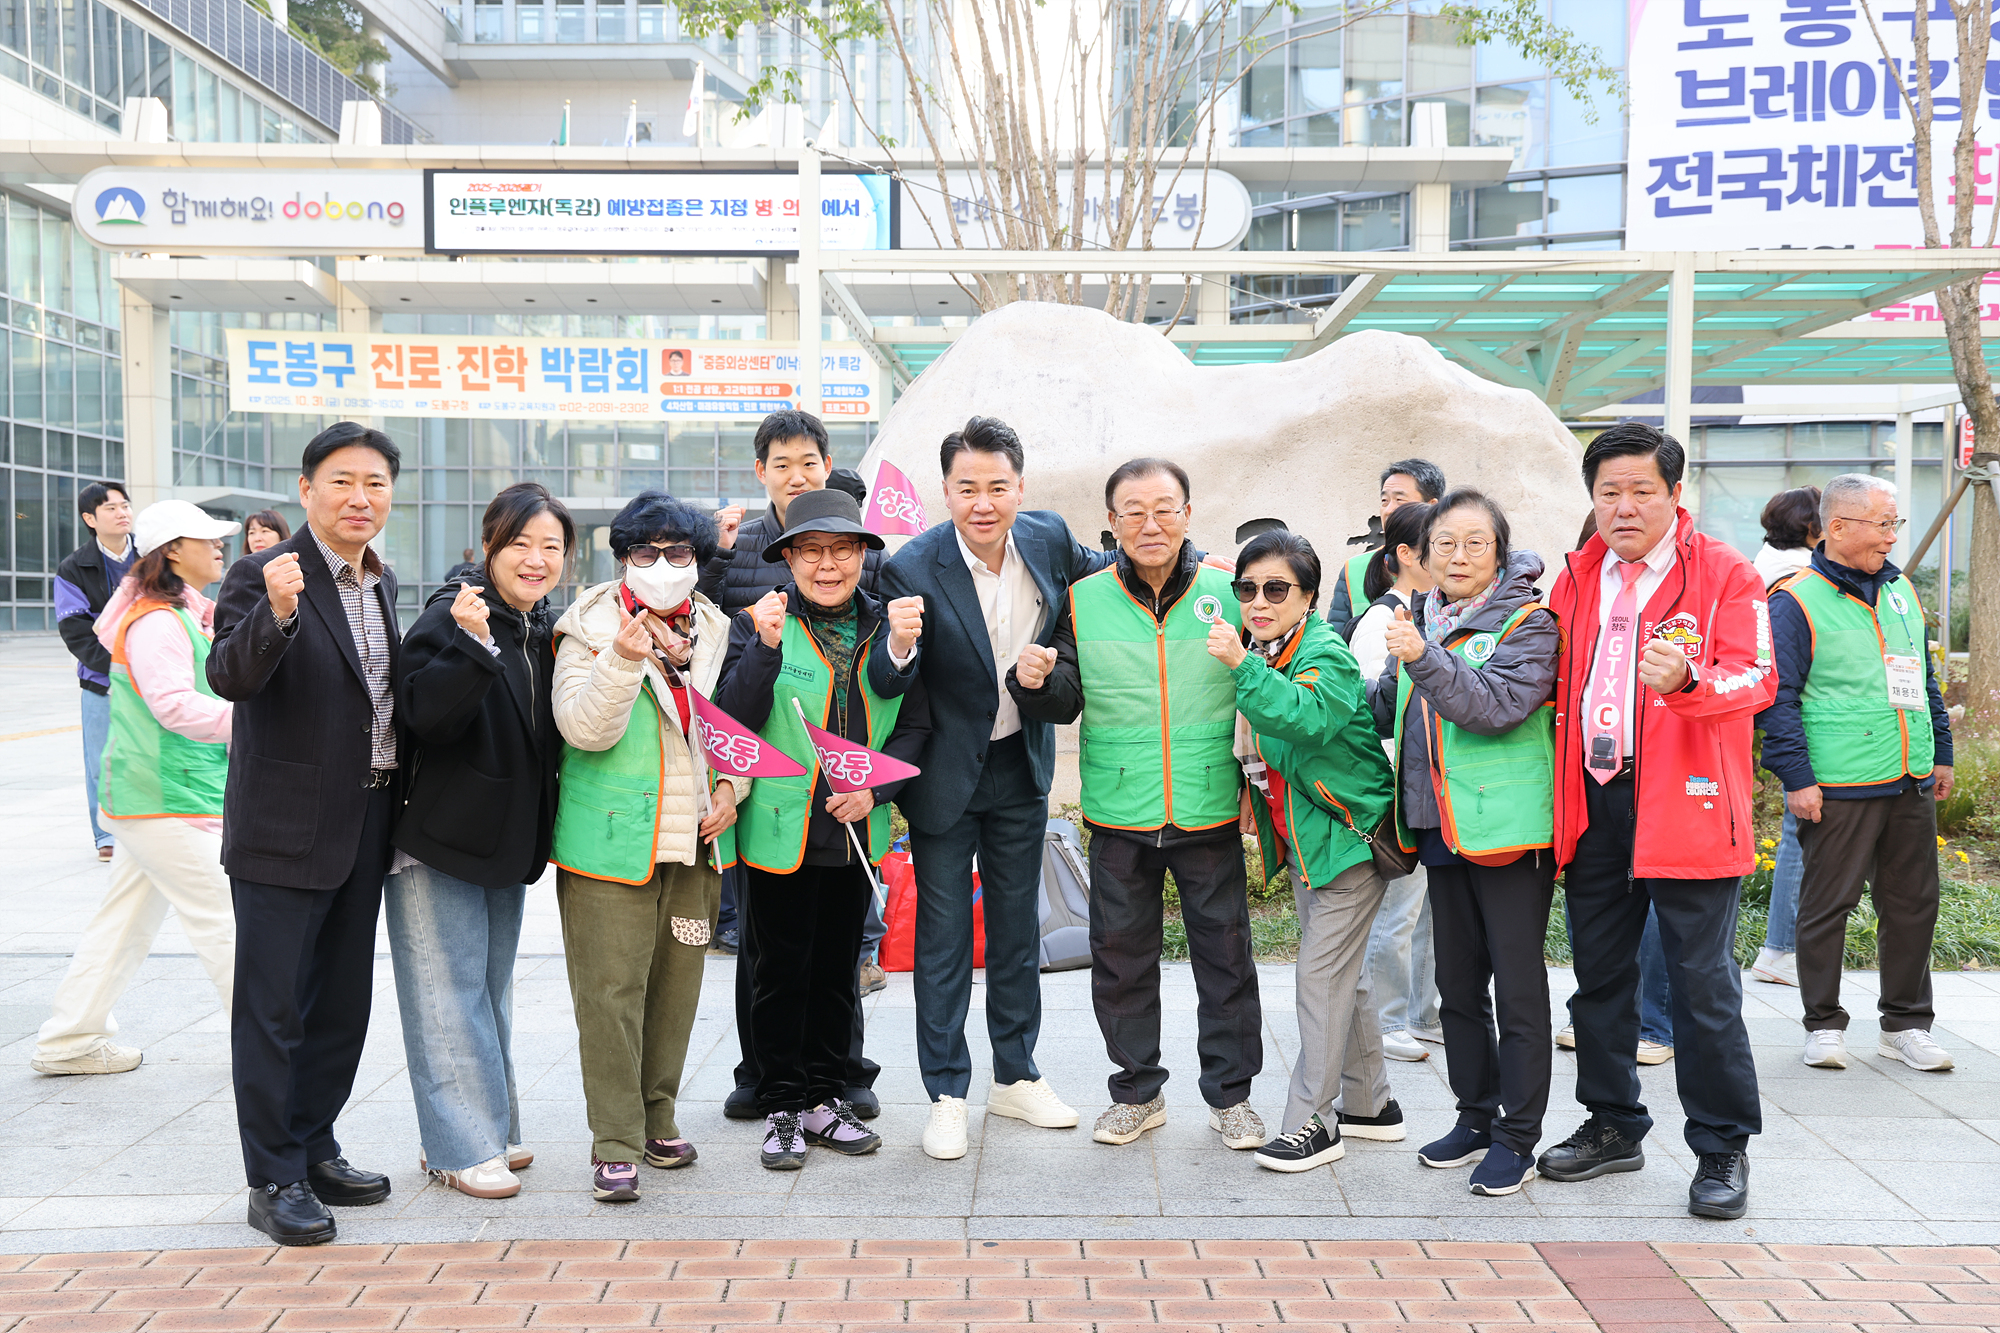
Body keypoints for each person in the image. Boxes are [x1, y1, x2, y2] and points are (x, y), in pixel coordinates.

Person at [1542, 420, 1773, 1223]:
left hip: (1688, 799)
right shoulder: (1576, 577)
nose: (1625, 506)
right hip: (1595, 797)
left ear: (1677, 494)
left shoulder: (1726, 574)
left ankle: (1721, 1146)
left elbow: (1757, 677)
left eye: (1642, 490)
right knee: (1600, 979)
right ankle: (1613, 1123)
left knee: (1702, 986)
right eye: (1610, 492)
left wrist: (1687, 680)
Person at [1010, 458, 1266, 1153]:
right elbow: (1066, 694)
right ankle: (1137, 1091)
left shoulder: (1228, 589)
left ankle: (1233, 1096)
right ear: (1112, 521)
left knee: (1226, 958)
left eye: (1164, 508)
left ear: (1187, 511)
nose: (1150, 523)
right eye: (1134, 510)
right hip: (1120, 807)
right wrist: (1036, 681)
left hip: (1207, 803)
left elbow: (1264, 683)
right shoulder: (1082, 596)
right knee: (1120, 959)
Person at [879, 416, 1116, 1161]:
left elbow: (1109, 570)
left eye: (998, 486)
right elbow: (885, 679)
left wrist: (1200, 562)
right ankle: (948, 1092)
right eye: (966, 487)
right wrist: (900, 642)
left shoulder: (1047, 538)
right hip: (945, 780)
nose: (983, 502)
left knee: (1018, 933)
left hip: (1019, 767)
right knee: (944, 942)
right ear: (945, 490)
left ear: (1021, 486)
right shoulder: (911, 567)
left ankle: (1016, 1074)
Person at [207, 422, 405, 1246]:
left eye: (376, 483)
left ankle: (316, 1143)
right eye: (342, 481)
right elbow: (228, 675)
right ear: (307, 490)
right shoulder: (262, 573)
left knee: (340, 1004)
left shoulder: (385, 580)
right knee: (274, 1007)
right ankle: (274, 1174)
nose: (361, 497)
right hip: (283, 832)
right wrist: (279, 614)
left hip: (365, 821)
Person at [715, 489, 929, 1171]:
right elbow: (732, 719)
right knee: (779, 971)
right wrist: (767, 648)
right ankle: (780, 1101)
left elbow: (920, 723)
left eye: (841, 549)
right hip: (778, 828)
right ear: (789, 558)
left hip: (853, 829)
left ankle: (822, 1096)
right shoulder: (761, 623)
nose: (827, 564)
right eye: (811, 550)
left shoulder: (889, 624)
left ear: (863, 554)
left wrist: (876, 788)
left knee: (838, 971)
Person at [551, 491, 743, 1202]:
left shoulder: (716, 628)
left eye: (678, 552)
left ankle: (658, 1113)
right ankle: (615, 1138)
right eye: (646, 552)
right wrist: (621, 663)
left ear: (698, 559)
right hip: (611, 844)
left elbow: (730, 730)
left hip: (694, 844)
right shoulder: (589, 627)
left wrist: (732, 793)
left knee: (675, 987)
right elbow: (583, 728)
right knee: (610, 992)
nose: (663, 565)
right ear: (623, 558)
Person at [386, 484, 573, 1202]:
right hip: (438, 843)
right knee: (446, 994)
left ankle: (489, 1126)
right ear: (488, 547)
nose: (535, 558)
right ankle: (458, 1147)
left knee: (486, 992)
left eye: (550, 546)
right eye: (520, 543)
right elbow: (425, 714)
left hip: (497, 841)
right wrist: (470, 646)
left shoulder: (533, 624)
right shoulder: (452, 616)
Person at [1370, 490, 1558, 1198]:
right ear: (1420, 555)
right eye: (1444, 543)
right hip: (1441, 826)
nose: (1457, 556)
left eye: (1475, 543)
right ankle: (1475, 1116)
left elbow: (1494, 707)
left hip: (1509, 831)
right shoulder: (1421, 616)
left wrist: (1420, 657)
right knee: (1455, 988)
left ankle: (1519, 1134)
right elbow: (1391, 707)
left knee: (1516, 988)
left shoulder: (1530, 622)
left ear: (1501, 552)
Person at [698, 409, 885, 1114]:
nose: (797, 474)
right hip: (764, 782)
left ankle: (839, 1076)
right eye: (782, 464)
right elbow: (714, 645)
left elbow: (890, 680)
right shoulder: (743, 547)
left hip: (844, 798)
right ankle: (767, 1080)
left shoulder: (867, 564)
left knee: (839, 951)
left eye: (809, 461)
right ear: (761, 472)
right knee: (767, 952)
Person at [1210, 530, 1401, 1173]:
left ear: (1309, 595)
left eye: (1275, 589)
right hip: (1311, 841)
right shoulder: (1273, 647)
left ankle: (1313, 1125)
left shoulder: (1322, 653)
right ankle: (1372, 1105)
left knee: (1319, 979)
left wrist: (1242, 666)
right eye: (1247, 589)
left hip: (1348, 839)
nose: (1258, 602)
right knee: (1348, 976)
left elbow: (1306, 718)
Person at [32, 500, 241, 1077]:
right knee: (224, 918)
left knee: (123, 921)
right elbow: (172, 706)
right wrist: (250, 723)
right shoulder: (156, 621)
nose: (220, 546)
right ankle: (270, 1055)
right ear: (172, 550)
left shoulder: (181, 612)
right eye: (207, 538)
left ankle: (69, 1040)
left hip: (157, 794)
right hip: (161, 798)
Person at [1761, 474, 1956, 1074]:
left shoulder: (1901, 592)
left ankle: (1905, 1023)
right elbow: (1778, 698)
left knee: (1913, 903)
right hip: (1840, 780)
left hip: (1909, 775)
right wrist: (1796, 777)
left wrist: (1941, 749)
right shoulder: (1794, 599)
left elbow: (1921, 678)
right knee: (1827, 904)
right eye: (1884, 524)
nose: (1893, 537)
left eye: (1895, 523)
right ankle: (1822, 1023)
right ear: (1839, 527)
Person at [1347, 501, 1441, 1066]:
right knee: (1399, 909)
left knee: (1427, 908)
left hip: (1428, 785)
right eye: (1439, 543)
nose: (1451, 555)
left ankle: (1420, 1014)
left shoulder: (1432, 616)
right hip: (1397, 787)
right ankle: (1386, 1020)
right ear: (1405, 555)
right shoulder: (1381, 623)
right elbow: (1366, 715)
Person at [1749, 485, 1822, 989]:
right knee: (1801, 828)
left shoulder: (1763, 563)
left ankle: (1782, 948)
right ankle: (1780, 948)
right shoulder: (1797, 580)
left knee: (1800, 828)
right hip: (1796, 716)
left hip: (1762, 714)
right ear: (1815, 528)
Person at [57, 482, 138, 864]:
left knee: (150, 755)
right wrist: (116, 667)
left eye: (125, 505)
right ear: (90, 518)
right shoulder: (74, 567)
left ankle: (147, 826)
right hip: (101, 681)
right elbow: (74, 630)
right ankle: (105, 832)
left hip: (154, 677)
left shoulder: (152, 555)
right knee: (102, 760)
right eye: (111, 508)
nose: (123, 513)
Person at [1325, 459, 1446, 640]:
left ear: (1431, 506)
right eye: (1384, 501)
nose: (1389, 510)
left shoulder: (1452, 565)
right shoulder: (1355, 569)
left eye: (1399, 500)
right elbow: (1335, 647)